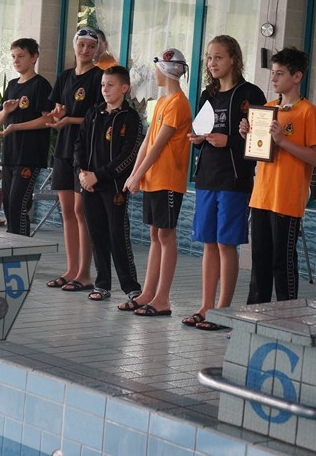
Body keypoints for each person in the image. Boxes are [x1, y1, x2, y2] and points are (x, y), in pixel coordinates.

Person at [184, 35, 265, 331]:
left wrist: (229, 141)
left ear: (233, 59)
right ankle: (206, 306)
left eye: (218, 57)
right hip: (207, 176)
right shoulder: (208, 94)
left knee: (225, 243)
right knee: (208, 242)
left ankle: (223, 308)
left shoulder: (251, 94)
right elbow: (202, 130)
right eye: (209, 57)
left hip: (234, 178)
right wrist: (196, 139)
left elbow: (260, 143)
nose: (212, 63)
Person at [239, 47, 316, 304]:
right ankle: (255, 314)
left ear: (297, 77)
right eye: (273, 73)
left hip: (287, 199)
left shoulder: (308, 112)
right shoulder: (267, 109)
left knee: (282, 262)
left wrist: (283, 141)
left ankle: (287, 315)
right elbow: (260, 150)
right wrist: (247, 135)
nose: (274, 78)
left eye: (280, 73)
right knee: (259, 261)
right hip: (262, 196)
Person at [122, 48, 192, 316]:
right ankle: (148, 293)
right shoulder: (162, 102)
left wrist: (138, 174)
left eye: (157, 68)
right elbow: (147, 142)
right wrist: (134, 173)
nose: (154, 73)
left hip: (168, 180)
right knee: (155, 234)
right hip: (154, 179)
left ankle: (163, 298)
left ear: (165, 70)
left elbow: (159, 146)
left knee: (166, 234)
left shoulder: (178, 103)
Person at [74, 65, 142, 302]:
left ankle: (131, 286)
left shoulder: (130, 118)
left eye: (110, 85)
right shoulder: (94, 114)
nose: (105, 89)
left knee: (117, 235)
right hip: (89, 185)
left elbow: (129, 155)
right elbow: (79, 144)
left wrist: (99, 175)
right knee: (97, 235)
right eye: (103, 85)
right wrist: (82, 173)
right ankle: (102, 283)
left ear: (124, 88)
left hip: (114, 188)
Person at [45, 28, 103, 291]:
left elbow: (99, 117)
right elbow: (56, 110)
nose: (85, 50)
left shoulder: (99, 78)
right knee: (67, 211)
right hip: (64, 149)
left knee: (82, 212)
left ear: (97, 49)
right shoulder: (65, 76)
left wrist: (69, 119)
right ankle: (70, 269)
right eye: (82, 44)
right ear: (74, 46)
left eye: (91, 46)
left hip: (86, 152)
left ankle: (85, 273)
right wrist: (59, 115)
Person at [0, 38, 54, 236]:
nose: (16, 60)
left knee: (18, 205)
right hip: (10, 154)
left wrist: (16, 127)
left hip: (29, 154)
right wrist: (6, 111)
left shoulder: (40, 85)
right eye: (13, 56)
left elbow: (47, 119)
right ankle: (12, 245)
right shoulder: (12, 85)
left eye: (21, 56)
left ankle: (20, 248)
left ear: (34, 57)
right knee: (8, 204)